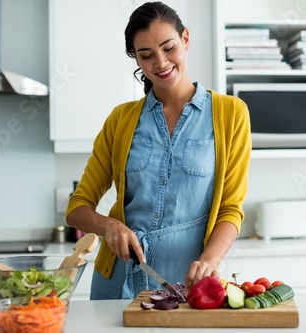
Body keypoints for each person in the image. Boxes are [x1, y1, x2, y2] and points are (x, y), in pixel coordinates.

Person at [65, 1, 251, 300]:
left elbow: (230, 209)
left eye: (169, 48)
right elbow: (77, 209)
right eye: (146, 55)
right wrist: (109, 226)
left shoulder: (230, 113)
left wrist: (209, 261)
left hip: (190, 283)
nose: (161, 62)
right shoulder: (121, 119)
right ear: (136, 59)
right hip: (118, 280)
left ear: (186, 39)